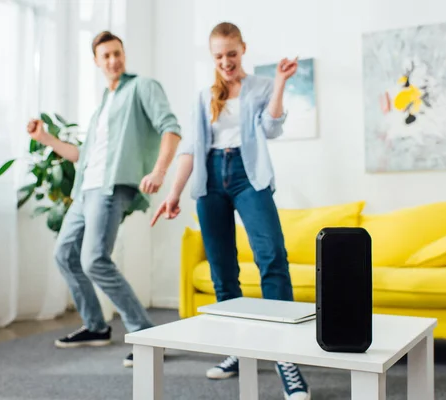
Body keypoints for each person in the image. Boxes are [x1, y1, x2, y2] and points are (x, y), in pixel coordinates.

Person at [151, 22, 311, 400]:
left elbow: (271, 128)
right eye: (219, 55)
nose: (226, 61)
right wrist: (174, 193)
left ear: (243, 50)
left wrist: (281, 82)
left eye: (232, 53)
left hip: (247, 175)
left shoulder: (259, 86)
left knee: (272, 257)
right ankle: (235, 349)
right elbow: (190, 147)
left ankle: (285, 358)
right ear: (213, 57)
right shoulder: (203, 96)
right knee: (223, 270)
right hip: (209, 179)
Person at [27, 31, 181, 367]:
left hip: (112, 188)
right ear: (96, 62)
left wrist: (159, 171)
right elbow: (82, 156)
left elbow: (171, 127)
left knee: (94, 259)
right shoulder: (102, 106)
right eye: (106, 56)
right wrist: (45, 138)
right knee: (65, 254)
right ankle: (96, 327)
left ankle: (147, 337)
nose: (113, 60)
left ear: (123, 55)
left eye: (117, 53)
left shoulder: (142, 87)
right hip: (85, 190)